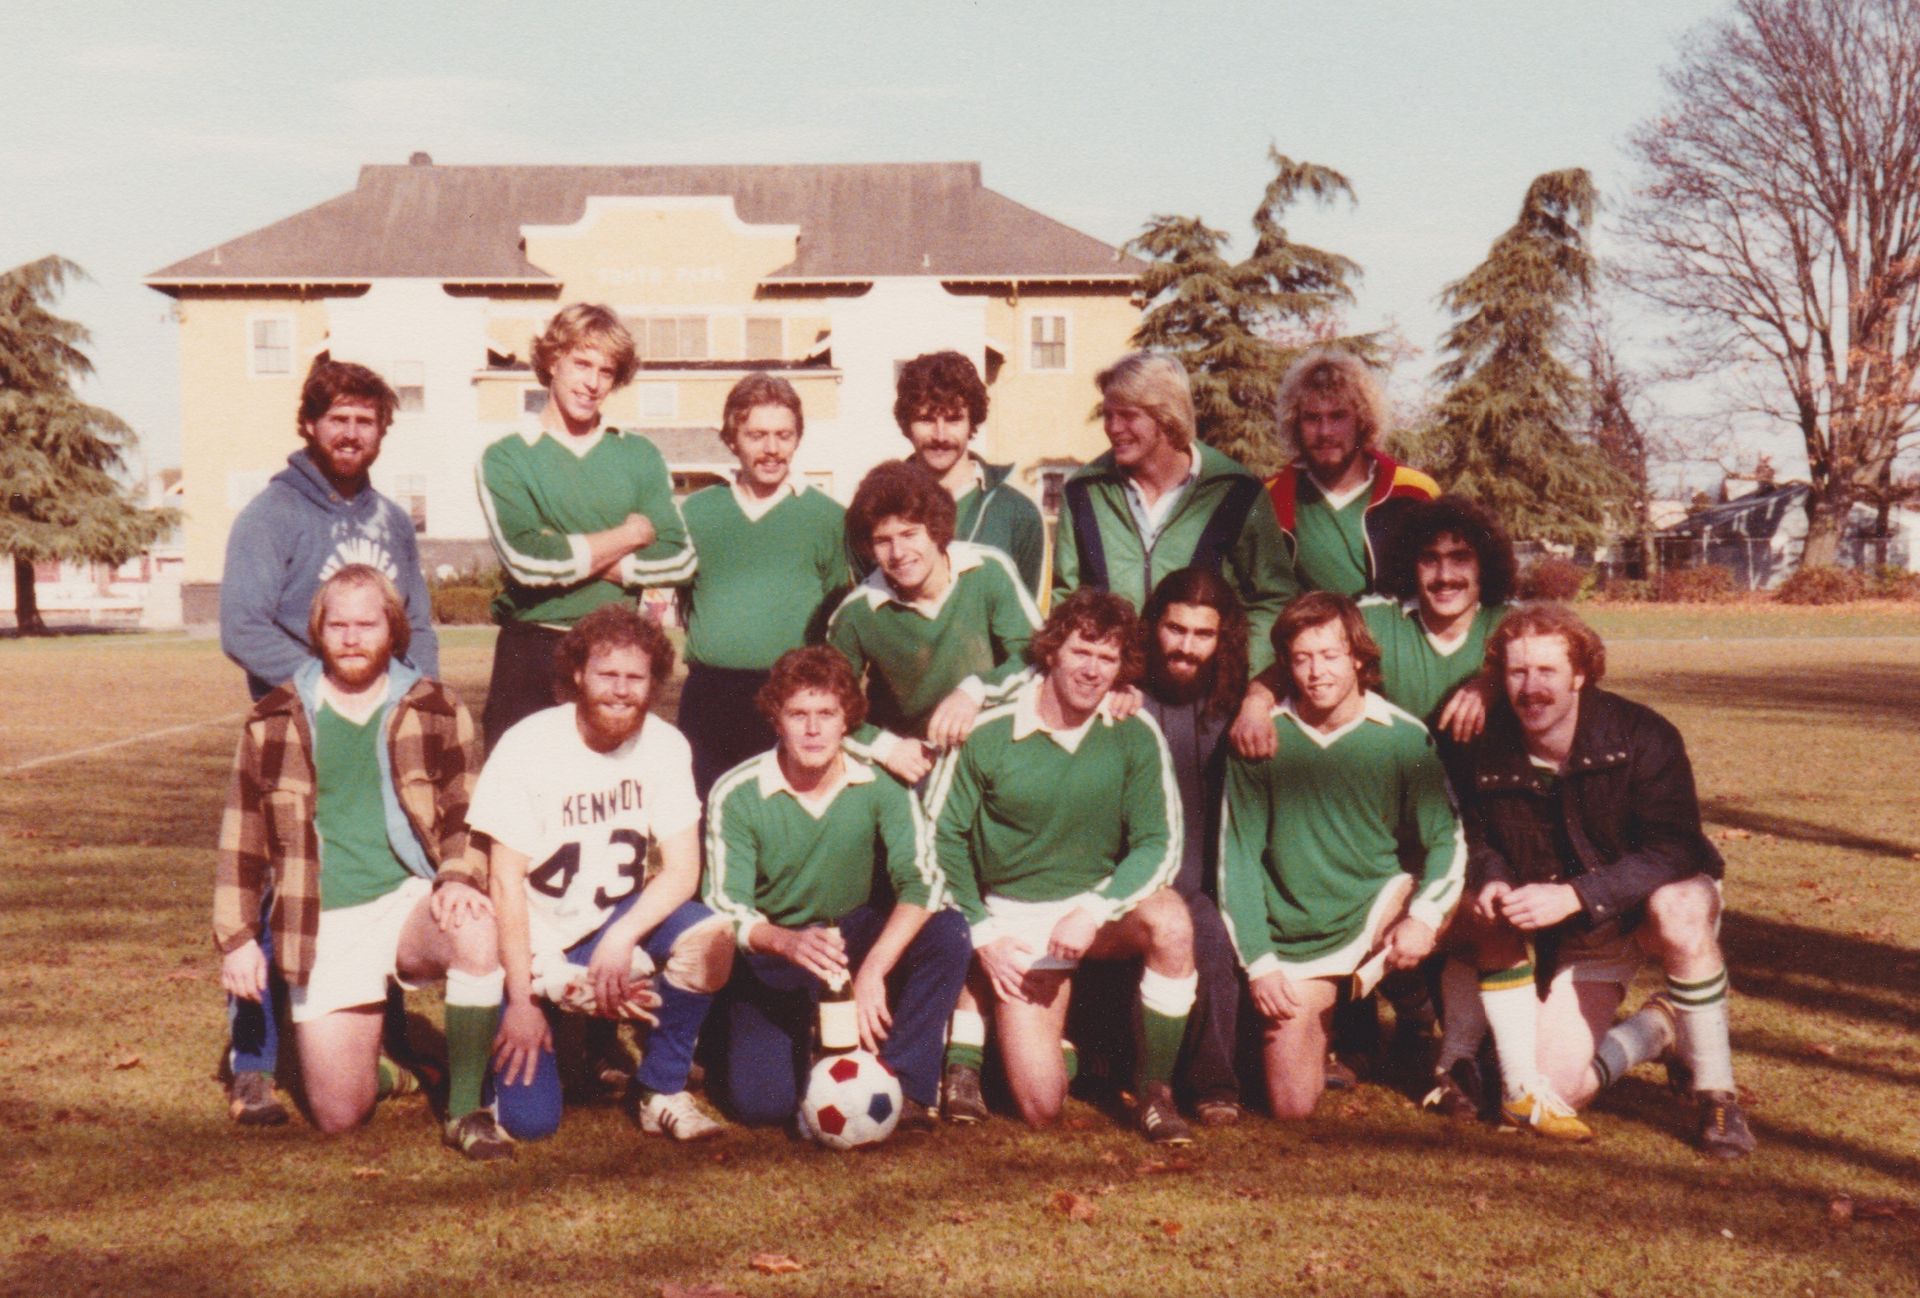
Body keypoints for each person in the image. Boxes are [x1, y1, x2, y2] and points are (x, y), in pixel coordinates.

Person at [212, 566, 510, 1159]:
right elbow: (241, 838)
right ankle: (387, 1068)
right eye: (338, 625)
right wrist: (238, 939)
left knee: (476, 926)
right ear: (318, 632)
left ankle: (468, 1109)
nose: (352, 638)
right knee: (339, 1115)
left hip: (410, 901)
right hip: (323, 917)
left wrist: (456, 875)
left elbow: (466, 812)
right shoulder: (274, 720)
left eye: (366, 624)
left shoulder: (437, 706)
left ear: (391, 628)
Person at [216, 357, 443, 1125]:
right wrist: (327, 689)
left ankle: (387, 1037)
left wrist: (420, 699)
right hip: (301, 736)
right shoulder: (272, 514)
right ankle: (251, 1062)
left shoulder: (387, 518)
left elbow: (417, 622)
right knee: (281, 883)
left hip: (384, 728)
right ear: (310, 425)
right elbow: (242, 625)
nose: (351, 433)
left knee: (389, 861)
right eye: (337, 418)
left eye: (366, 420)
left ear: (383, 430)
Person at [1444, 604, 1755, 1157]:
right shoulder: (1488, 744)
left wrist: (1575, 894)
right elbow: (1480, 835)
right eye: (1517, 673)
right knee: (1557, 1090)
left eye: (1547, 672)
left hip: (1653, 901)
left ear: (1580, 675)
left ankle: (1717, 1095)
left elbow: (1678, 847)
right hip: (1588, 934)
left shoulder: (1642, 733)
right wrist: (1491, 877)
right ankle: (1658, 1027)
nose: (1531, 688)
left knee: (1678, 910)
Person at [929, 590, 1195, 1144]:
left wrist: (1095, 910)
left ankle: (1155, 1091)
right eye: (1081, 651)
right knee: (1042, 1108)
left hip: (1092, 912)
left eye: (1108, 658)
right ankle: (1013, 1037)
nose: (1092, 669)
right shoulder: (990, 731)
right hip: (1015, 923)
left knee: (1172, 922)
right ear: (1052, 652)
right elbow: (942, 837)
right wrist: (982, 931)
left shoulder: (1135, 731)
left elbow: (1159, 843)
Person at [472, 605, 734, 1143]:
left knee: (711, 935)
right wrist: (524, 997)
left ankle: (659, 1087)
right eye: (606, 674)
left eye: (635, 677)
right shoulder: (530, 743)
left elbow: (684, 871)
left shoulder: (664, 744)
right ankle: (525, 1019)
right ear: (577, 674)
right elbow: (504, 883)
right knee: (530, 1122)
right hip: (533, 934)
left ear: (654, 682)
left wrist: (622, 937)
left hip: (606, 919)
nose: (620, 690)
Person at [1218, 593, 1465, 1121]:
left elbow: (1447, 838)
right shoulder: (1263, 738)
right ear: (1285, 665)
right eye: (1302, 658)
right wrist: (1259, 964)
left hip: (1378, 908)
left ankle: (1430, 1026)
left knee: (1443, 909)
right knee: (1291, 1107)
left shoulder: (1401, 736)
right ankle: (1337, 1020)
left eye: (1330, 655)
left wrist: (1423, 917)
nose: (1316, 672)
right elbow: (1236, 858)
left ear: (1358, 657)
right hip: (1297, 933)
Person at [703, 647, 970, 1128]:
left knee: (947, 930)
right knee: (763, 1106)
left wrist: (872, 970)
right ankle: (739, 1033)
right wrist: (785, 941)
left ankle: (905, 1083)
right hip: (777, 945)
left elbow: (922, 882)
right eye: (798, 714)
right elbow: (726, 905)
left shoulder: (882, 784)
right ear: (775, 720)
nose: (813, 728)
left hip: (851, 932)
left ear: (847, 720)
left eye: (826, 713)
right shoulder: (737, 792)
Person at [476, 303, 695, 751]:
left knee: (608, 799)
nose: (592, 383)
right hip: (531, 651)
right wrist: (630, 535)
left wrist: (568, 552)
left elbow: (679, 557)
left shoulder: (638, 455)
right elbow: (527, 561)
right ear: (553, 360)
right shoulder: (506, 456)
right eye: (581, 363)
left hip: (616, 653)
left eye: (606, 371)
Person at [1051, 352, 1297, 687]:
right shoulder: (1084, 491)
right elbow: (1066, 598)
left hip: (1208, 700)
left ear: (1166, 418)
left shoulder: (1238, 492)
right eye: (1108, 415)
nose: (1113, 428)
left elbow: (1273, 597)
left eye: (1128, 416)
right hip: (1111, 693)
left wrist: (1235, 673)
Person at [678, 373, 848, 798]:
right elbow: (686, 596)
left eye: (783, 435)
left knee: (785, 816)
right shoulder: (697, 512)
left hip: (790, 698)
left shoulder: (827, 517)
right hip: (710, 696)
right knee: (709, 813)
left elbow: (836, 614)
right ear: (733, 439)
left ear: (797, 439)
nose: (771, 448)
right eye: (757, 435)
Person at [828, 460, 1042, 785]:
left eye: (909, 534)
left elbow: (1035, 655)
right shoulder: (856, 613)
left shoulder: (987, 570)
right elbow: (827, 707)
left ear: (936, 530)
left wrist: (975, 690)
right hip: (914, 761)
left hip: (997, 748)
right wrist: (885, 747)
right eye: (883, 541)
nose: (898, 552)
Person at [1135, 568, 1253, 1125]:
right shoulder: (1126, 693)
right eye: (1174, 629)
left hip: (1208, 873)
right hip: (1137, 874)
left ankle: (1213, 1085)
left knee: (1210, 926)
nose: (1185, 647)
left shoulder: (1234, 700)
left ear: (1222, 638)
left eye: (1202, 635)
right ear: (1153, 626)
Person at [1262, 347, 1438, 599]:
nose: (1325, 432)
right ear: (1295, 424)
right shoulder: (1270, 498)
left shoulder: (1413, 491)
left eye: (1338, 416)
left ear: (1362, 420)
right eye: (1312, 418)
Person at [894, 350, 1045, 596]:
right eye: (926, 419)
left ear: (971, 423)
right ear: (906, 424)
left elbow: (1034, 621)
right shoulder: (878, 510)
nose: (940, 435)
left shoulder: (1018, 513)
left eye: (954, 419)